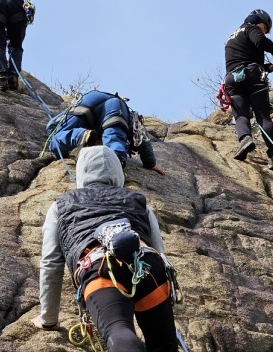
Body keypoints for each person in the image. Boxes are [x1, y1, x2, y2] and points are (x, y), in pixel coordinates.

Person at [32, 146, 179, 352]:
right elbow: (160, 253)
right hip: (147, 266)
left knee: (118, 331)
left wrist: (48, 318)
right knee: (165, 344)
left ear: (82, 171)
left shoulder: (61, 205)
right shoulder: (139, 201)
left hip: (99, 268)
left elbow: (51, 263)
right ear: (118, 171)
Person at [223, 9, 273, 166]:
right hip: (252, 76)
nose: (264, 32)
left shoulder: (232, 38)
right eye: (265, 29)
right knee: (263, 117)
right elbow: (260, 41)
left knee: (240, 115)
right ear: (260, 22)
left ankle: (245, 137)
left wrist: (271, 67)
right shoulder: (251, 28)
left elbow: (243, 58)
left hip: (232, 79)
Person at [47, 90, 158, 170]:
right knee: (114, 138)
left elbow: (51, 125)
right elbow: (142, 139)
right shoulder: (132, 119)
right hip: (120, 107)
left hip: (90, 100)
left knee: (54, 139)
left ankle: (81, 135)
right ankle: (117, 158)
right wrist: (151, 163)